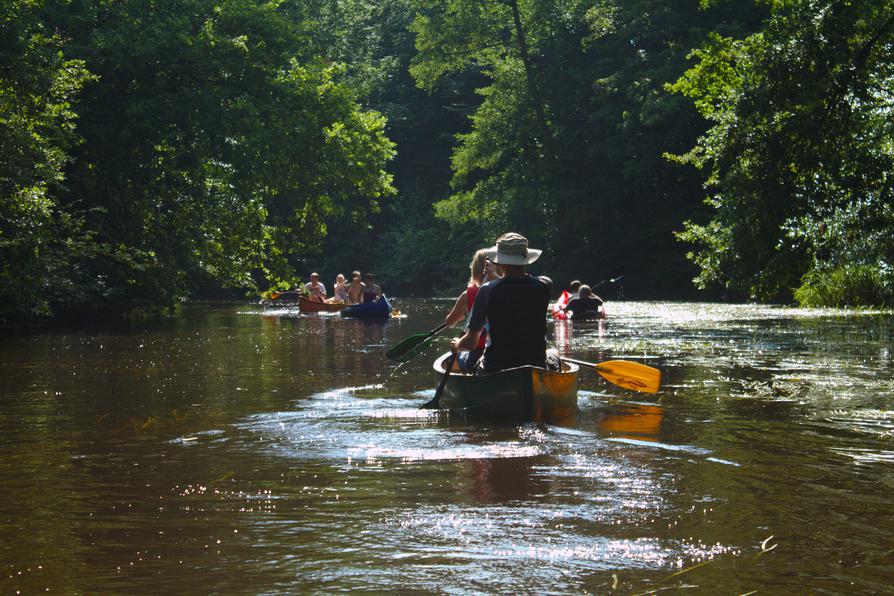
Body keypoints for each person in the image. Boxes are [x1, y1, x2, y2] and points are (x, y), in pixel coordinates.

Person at [451, 232, 558, 373]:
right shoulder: (544, 286)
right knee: (554, 352)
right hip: (535, 365)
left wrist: (458, 344)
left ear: (499, 261)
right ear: (526, 259)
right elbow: (528, 282)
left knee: (459, 356)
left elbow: (471, 343)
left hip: (495, 368)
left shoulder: (487, 291)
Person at [444, 249, 500, 371]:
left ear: (475, 269)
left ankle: (462, 380)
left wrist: (460, 316)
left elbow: (450, 322)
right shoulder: (505, 290)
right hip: (502, 351)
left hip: (477, 353)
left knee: (452, 357)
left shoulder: (468, 295)